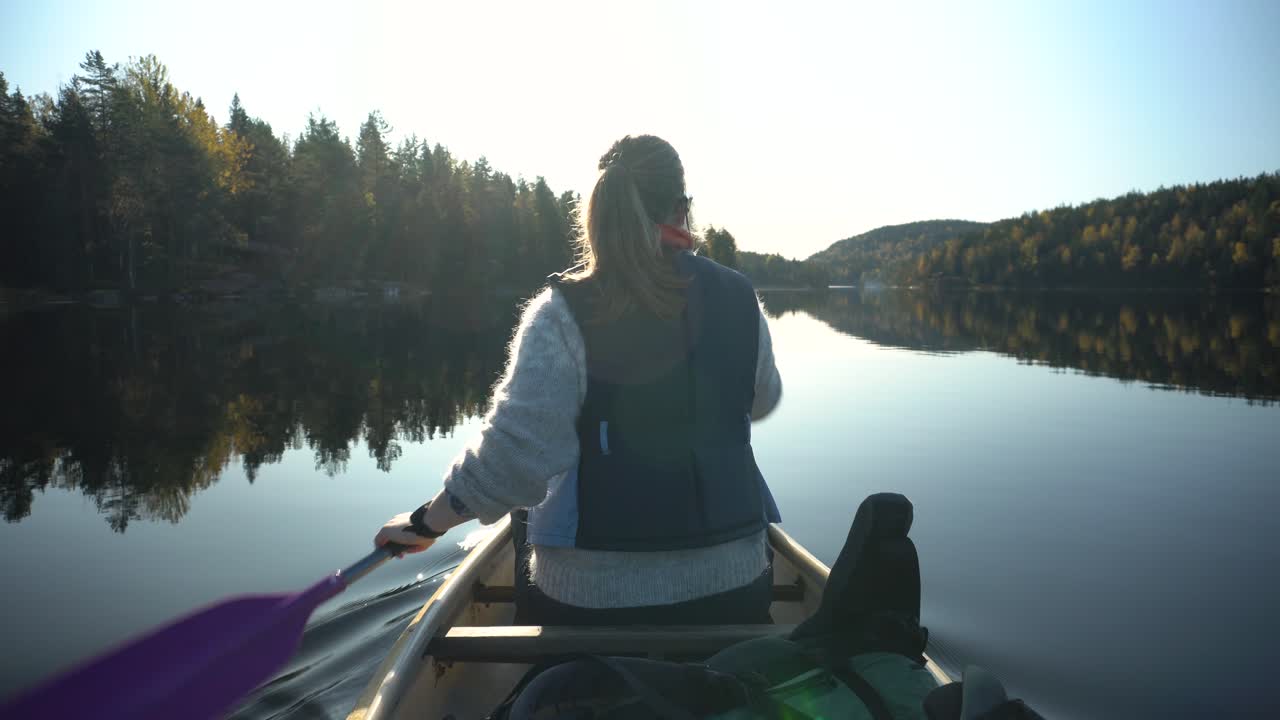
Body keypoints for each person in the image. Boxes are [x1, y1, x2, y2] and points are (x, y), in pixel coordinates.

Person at [374, 134, 783, 625]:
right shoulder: (740, 299)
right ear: (682, 210)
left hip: (594, 599)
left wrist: (426, 522)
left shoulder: (562, 314)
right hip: (734, 586)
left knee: (528, 510)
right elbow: (762, 400)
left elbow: (512, 461)